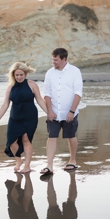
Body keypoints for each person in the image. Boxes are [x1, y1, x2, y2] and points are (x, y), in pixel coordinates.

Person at [0, 62, 47, 173]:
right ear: (13, 75)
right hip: (14, 118)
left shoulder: (32, 84)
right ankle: (18, 160)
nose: (19, 77)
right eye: (17, 75)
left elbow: (40, 100)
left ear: (25, 74)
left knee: (26, 140)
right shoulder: (10, 87)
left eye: (21, 74)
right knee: (11, 142)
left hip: (29, 117)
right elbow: (5, 104)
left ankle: (27, 166)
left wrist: (49, 113)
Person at [41, 48, 83, 176]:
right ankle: (49, 165)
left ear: (64, 59)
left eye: (56, 60)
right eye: (52, 59)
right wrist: (49, 111)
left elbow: (78, 93)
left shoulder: (75, 71)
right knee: (51, 136)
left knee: (71, 136)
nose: (53, 62)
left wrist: (71, 111)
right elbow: (47, 93)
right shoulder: (49, 73)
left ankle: (72, 160)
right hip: (53, 112)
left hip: (69, 112)